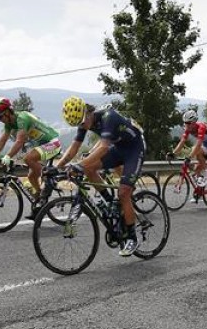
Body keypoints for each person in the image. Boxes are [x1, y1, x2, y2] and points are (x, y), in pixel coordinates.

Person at [57, 97, 145, 257]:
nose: (82, 126)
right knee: (89, 169)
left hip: (134, 148)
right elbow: (74, 148)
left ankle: (132, 237)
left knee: (124, 193)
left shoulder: (108, 117)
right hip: (118, 148)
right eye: (78, 124)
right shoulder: (83, 121)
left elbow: (103, 147)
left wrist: (79, 165)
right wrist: (57, 167)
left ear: (87, 112)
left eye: (82, 122)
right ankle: (110, 202)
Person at [0, 97, 61, 201]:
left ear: (8, 112)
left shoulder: (22, 118)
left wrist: (8, 156)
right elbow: (2, 140)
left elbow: (20, 141)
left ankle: (49, 180)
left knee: (28, 159)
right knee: (31, 177)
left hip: (53, 143)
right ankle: (41, 199)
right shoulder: (9, 123)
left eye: (0, 117)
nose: (0, 120)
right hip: (42, 146)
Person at [172, 109, 207, 190]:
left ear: (193, 123)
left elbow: (198, 144)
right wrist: (173, 153)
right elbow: (182, 142)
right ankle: (201, 192)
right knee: (196, 170)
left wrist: (189, 157)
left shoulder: (201, 127)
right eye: (185, 123)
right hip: (205, 145)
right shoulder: (188, 129)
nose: (186, 125)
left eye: (188, 123)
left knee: (196, 150)